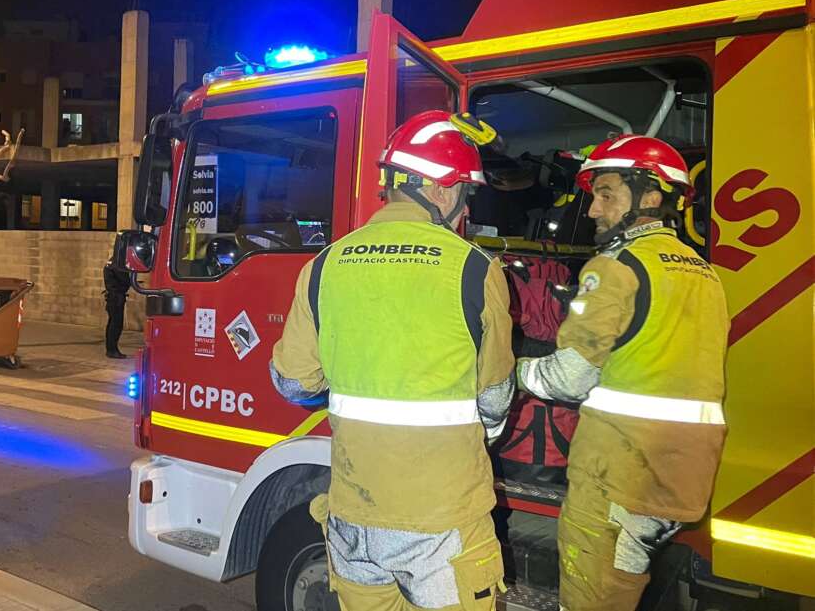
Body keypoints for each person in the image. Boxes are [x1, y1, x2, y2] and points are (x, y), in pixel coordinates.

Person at [271, 110, 515, 611]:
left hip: (353, 516)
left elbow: (291, 382)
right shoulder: (475, 268)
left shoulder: (326, 263)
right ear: (444, 192)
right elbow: (494, 398)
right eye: (464, 196)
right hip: (440, 521)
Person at [516, 135, 728, 611]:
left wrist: (512, 372)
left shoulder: (615, 268)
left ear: (651, 197)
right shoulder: (703, 271)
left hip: (622, 471)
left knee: (593, 598)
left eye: (607, 193)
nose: (593, 210)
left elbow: (568, 380)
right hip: (681, 475)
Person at [103, 262, 130, 359]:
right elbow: (125, 280)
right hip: (116, 297)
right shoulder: (117, 265)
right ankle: (112, 350)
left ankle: (111, 349)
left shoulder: (110, 264)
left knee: (112, 323)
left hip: (112, 296)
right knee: (116, 324)